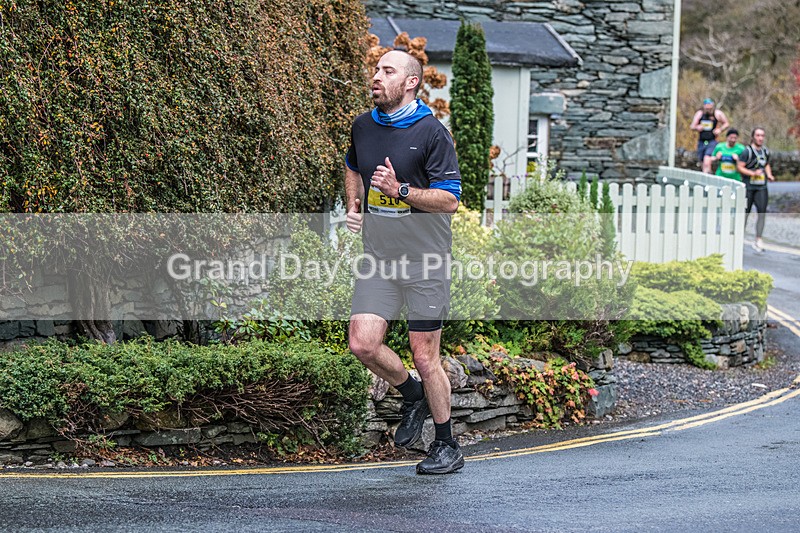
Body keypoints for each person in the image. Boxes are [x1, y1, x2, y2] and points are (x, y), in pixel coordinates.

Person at [344, 50, 464, 474]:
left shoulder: (433, 134)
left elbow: (449, 200)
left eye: (387, 71)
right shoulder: (363, 125)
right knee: (362, 342)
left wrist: (401, 191)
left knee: (425, 355)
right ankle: (411, 395)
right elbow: (354, 167)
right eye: (376, 70)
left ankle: (447, 445)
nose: (375, 76)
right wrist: (354, 203)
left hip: (425, 261)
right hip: (378, 257)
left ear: (411, 82)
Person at [737, 127, 775, 253]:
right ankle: (739, 237)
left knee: (762, 213)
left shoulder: (765, 151)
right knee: (745, 213)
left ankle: (758, 238)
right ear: (753, 137)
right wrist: (752, 173)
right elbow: (740, 167)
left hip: (761, 187)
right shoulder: (747, 152)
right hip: (748, 187)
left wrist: (769, 175)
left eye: (762, 135)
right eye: (758, 135)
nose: (760, 138)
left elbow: (766, 164)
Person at [690, 98, 730, 174]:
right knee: (702, 163)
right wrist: (697, 127)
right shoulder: (700, 114)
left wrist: (720, 130)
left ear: (712, 105)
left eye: (709, 106)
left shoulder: (717, 114)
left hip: (712, 140)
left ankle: (707, 179)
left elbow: (726, 123)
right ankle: (707, 176)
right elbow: (692, 126)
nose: (708, 108)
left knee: (707, 161)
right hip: (701, 141)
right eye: (706, 106)